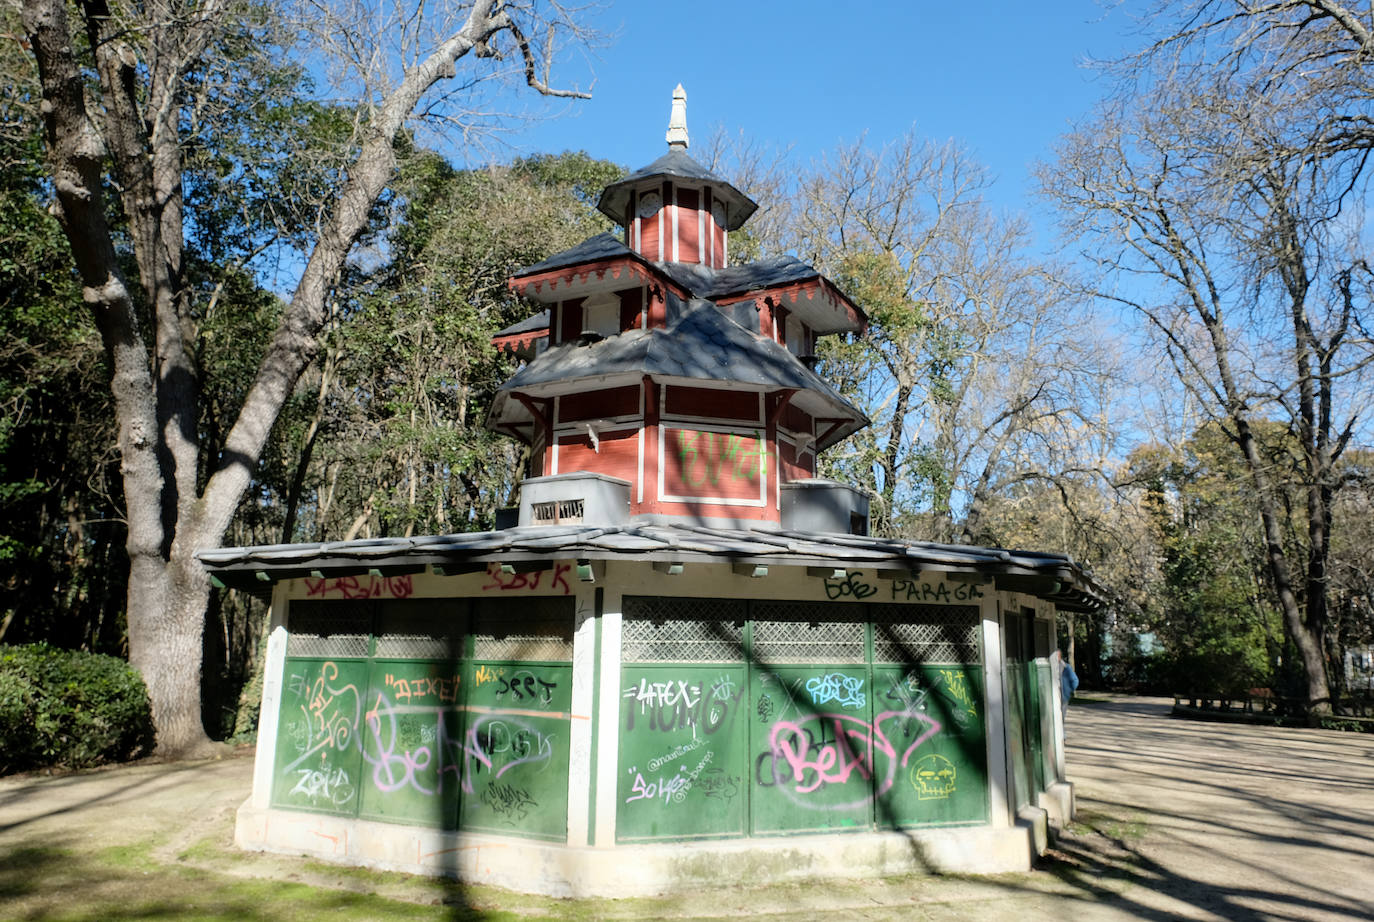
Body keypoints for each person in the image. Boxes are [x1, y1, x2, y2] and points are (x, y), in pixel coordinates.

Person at [1059, 652, 1079, 727]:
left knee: (1061, 718)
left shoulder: (1066, 667)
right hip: (1055, 696)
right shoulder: (1053, 667)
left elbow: (1075, 680)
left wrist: (1068, 690)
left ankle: (1062, 735)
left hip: (1064, 697)